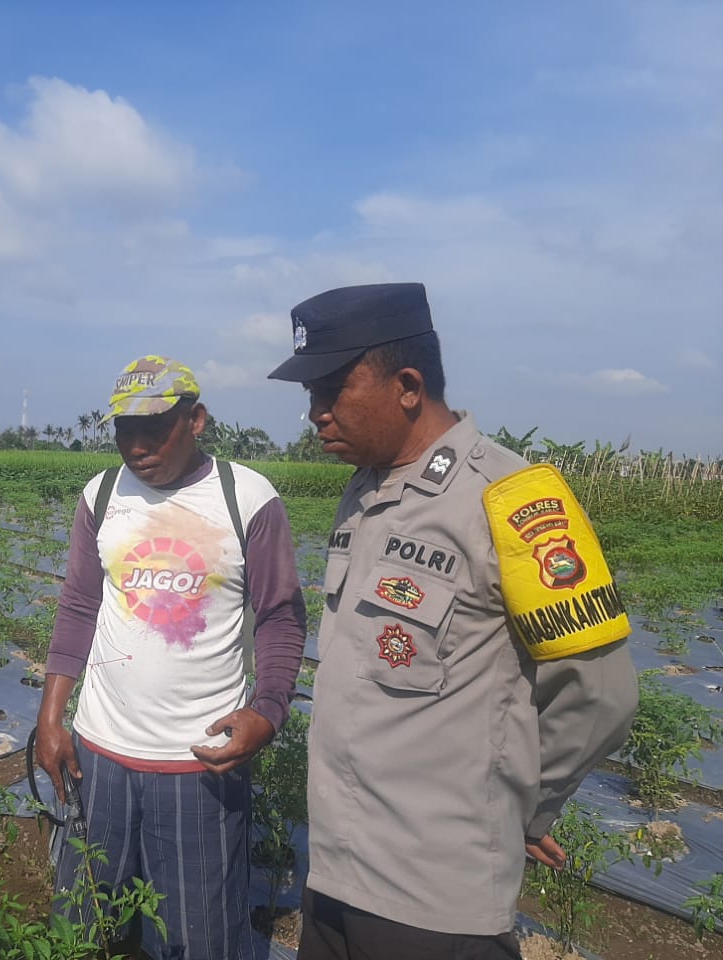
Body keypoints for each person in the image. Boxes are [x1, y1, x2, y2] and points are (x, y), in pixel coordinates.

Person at [268, 283, 638, 960]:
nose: (315, 414)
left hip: (435, 902)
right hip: (336, 873)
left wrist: (526, 804)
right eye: (309, 397)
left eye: (330, 391)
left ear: (407, 385)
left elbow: (599, 693)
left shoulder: (515, 499)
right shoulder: (365, 490)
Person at [34, 355, 307, 960]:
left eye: (154, 428)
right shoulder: (102, 495)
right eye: (124, 430)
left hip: (198, 765)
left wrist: (268, 712)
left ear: (197, 419)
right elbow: (79, 606)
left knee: (194, 939)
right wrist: (51, 718)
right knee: (83, 926)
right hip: (98, 756)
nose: (137, 446)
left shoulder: (246, 499)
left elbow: (282, 617)